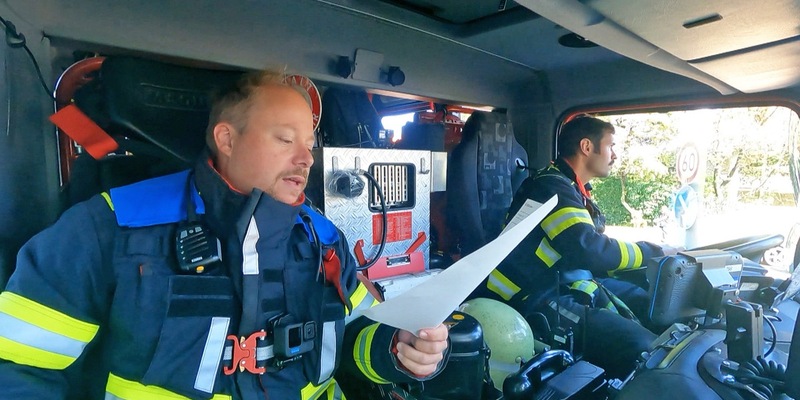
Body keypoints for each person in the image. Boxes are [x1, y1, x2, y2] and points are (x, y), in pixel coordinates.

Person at [0, 70, 449, 399]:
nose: (305, 159)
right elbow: (18, 367)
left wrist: (396, 348)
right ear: (227, 139)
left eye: (309, 143)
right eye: (283, 139)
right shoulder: (107, 229)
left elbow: (353, 340)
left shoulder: (325, 241)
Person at [472, 116, 676, 379]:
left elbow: (587, 254)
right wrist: (653, 253)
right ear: (587, 147)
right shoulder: (550, 187)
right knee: (644, 349)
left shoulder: (570, 187)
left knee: (654, 308)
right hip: (531, 295)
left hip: (566, 282)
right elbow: (590, 249)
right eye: (611, 146)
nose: (615, 155)